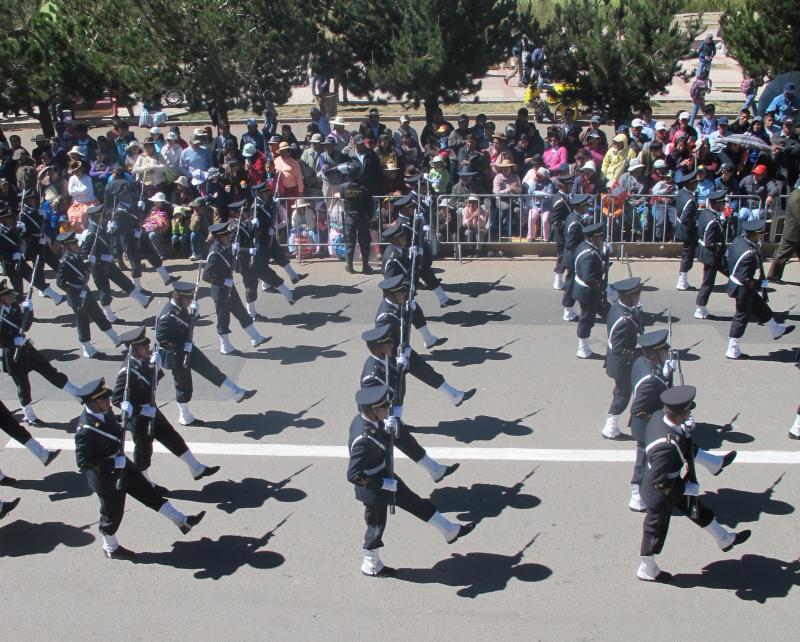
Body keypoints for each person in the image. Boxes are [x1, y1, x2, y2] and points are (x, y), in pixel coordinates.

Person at [347, 384, 475, 577]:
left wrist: (388, 430)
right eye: (383, 408)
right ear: (373, 412)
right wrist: (381, 484)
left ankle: (449, 530)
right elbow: (354, 475)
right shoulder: (363, 438)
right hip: (373, 488)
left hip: (384, 474)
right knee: (376, 525)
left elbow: (381, 439)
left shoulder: (370, 422)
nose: (387, 410)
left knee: (413, 501)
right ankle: (371, 564)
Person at [74, 377, 206, 560]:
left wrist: (125, 417)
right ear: (92, 403)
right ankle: (110, 547)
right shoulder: (85, 430)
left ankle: (182, 521)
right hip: (105, 477)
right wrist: (111, 464)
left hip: (121, 464)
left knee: (147, 492)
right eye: (103, 399)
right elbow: (83, 462)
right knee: (113, 513)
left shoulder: (104, 412)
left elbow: (113, 430)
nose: (107, 401)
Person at [637, 385, 750, 583]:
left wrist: (684, 429)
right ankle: (647, 568)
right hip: (661, 490)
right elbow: (658, 480)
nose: (690, 413)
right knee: (655, 529)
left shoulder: (659, 417)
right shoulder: (666, 446)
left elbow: (680, 444)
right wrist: (682, 488)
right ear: (678, 414)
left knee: (695, 508)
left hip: (669, 481)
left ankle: (724, 538)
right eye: (687, 411)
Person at [112, 327, 219, 492]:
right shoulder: (126, 372)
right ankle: (144, 483)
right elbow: (117, 399)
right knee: (143, 452)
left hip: (152, 411)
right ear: (134, 350)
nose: (147, 348)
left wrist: (155, 366)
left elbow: (151, 385)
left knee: (172, 437)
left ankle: (196, 467)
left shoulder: (143, 361)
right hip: (139, 419)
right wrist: (136, 409)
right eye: (144, 347)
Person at [360, 324, 459, 480]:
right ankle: (434, 470)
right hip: (379, 418)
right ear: (379, 349)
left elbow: (394, 384)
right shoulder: (372, 377)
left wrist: (402, 366)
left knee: (405, 440)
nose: (392, 345)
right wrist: (386, 420)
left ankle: (435, 470)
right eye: (388, 343)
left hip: (390, 409)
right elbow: (366, 403)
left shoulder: (385, 359)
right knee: (404, 443)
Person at [156, 281, 256, 426]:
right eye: (188, 299)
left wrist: (194, 314)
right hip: (176, 356)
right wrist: (181, 347)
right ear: (179, 298)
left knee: (209, 369)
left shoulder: (179, 307)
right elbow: (162, 339)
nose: (190, 301)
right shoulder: (167, 316)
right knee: (183, 386)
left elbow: (186, 324)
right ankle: (185, 417)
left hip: (187, 348)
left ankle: (237, 392)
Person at [375, 274, 474, 406]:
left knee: (426, 371)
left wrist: (409, 310)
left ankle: (455, 395)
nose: (404, 294)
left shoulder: (397, 304)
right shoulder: (385, 317)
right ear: (392, 295)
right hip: (390, 357)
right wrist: (395, 359)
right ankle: (393, 423)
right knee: (397, 390)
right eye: (401, 292)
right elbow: (381, 343)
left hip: (401, 350)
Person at [0, 278, 80, 424]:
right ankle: (30, 416)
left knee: (49, 370)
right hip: (12, 354)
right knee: (23, 385)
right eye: (7, 295)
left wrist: (29, 311)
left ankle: (78, 395)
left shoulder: (14, 307)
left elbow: (25, 326)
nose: (11, 296)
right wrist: (11, 342)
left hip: (26, 348)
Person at [725, 219, 795, 359]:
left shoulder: (739, 241)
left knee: (760, 306)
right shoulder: (749, 254)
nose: (761, 236)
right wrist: (759, 285)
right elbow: (745, 279)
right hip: (742, 288)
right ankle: (732, 349)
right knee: (741, 317)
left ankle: (776, 329)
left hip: (739, 284)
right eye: (760, 234)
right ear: (755, 234)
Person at [202, 221, 268, 354]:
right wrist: (222, 282)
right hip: (220, 292)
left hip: (229, 288)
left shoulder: (225, 247)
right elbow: (206, 276)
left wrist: (244, 250)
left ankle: (255, 337)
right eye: (225, 235)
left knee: (241, 312)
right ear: (219, 237)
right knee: (223, 319)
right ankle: (225, 346)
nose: (228, 237)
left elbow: (234, 250)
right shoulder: (215, 253)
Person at [55, 229, 122, 357]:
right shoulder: (64, 262)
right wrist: (75, 289)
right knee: (83, 321)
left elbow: (81, 272)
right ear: (67, 247)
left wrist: (88, 265)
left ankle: (115, 338)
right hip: (76, 297)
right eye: (74, 244)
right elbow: (60, 282)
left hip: (86, 292)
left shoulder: (78, 257)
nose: (77, 245)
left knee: (98, 314)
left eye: (76, 243)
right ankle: (87, 349)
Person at [82, 203, 153, 322]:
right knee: (105, 291)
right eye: (101, 217)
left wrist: (113, 229)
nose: (104, 219)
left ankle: (142, 300)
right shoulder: (91, 233)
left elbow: (110, 239)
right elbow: (84, 253)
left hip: (108, 263)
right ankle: (109, 315)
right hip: (98, 267)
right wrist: (95, 258)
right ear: (94, 218)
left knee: (124, 281)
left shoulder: (102, 228)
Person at [602, 277, 643, 440]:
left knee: (621, 392)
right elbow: (620, 348)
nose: (637, 298)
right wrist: (641, 353)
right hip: (621, 363)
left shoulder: (618, 308)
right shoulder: (624, 320)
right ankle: (610, 426)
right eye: (635, 295)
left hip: (618, 360)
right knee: (622, 394)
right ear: (626, 297)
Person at [694, 190, 729, 319]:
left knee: (732, 273)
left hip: (712, 254)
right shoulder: (713, 220)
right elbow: (710, 242)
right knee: (708, 283)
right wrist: (720, 246)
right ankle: (700, 308)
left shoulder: (706, 213)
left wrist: (724, 218)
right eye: (722, 203)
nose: (724, 205)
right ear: (716, 204)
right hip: (711, 255)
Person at [573, 222, 606, 359]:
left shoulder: (586, 246)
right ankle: (583, 347)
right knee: (587, 319)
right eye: (600, 237)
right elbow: (589, 278)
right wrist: (603, 287)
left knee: (608, 313)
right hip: (588, 293)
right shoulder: (589, 254)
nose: (602, 240)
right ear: (592, 238)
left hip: (589, 291)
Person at [338, 160, 374, 274]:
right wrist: (370, 217)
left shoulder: (343, 187)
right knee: (364, 242)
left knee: (349, 242)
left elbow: (343, 197)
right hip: (362, 217)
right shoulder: (365, 188)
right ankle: (365, 266)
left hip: (349, 217)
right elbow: (370, 205)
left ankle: (349, 266)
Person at [560, 194, 592, 322]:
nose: (587, 208)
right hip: (573, 258)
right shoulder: (574, 222)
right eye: (585, 206)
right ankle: (568, 310)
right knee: (571, 284)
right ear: (579, 207)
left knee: (573, 283)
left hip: (574, 257)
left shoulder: (575, 217)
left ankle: (570, 308)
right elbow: (570, 243)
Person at [768, 181, 800, 282]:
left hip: (795, 232)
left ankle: (773, 276)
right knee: (782, 255)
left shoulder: (796, 194)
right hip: (793, 232)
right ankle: (773, 276)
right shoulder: (797, 198)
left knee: (782, 253)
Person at [674, 170, 699, 290]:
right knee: (688, 256)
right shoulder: (690, 199)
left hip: (681, 228)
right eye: (695, 183)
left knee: (687, 254)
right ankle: (682, 281)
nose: (696, 185)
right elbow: (685, 218)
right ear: (690, 184)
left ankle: (682, 279)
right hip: (687, 230)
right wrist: (695, 223)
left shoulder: (681, 193)